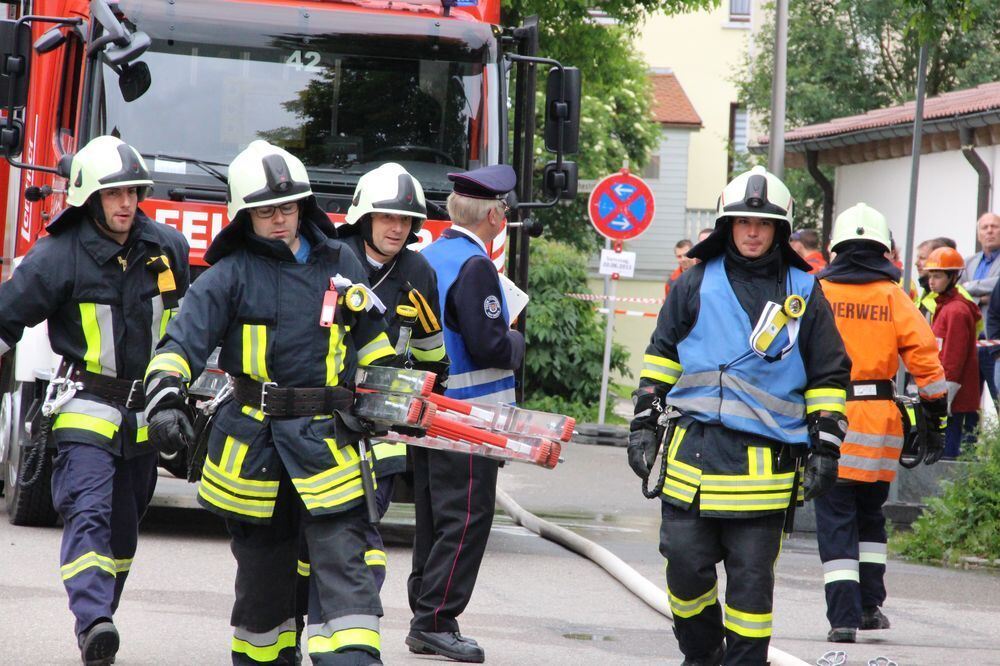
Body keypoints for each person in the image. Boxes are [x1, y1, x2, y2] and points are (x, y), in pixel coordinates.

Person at [143, 140, 395, 665]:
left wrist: (394, 399)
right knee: (262, 601)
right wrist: (165, 401)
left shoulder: (340, 259)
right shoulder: (227, 276)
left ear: (303, 206)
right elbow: (179, 346)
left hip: (330, 447)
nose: (280, 219)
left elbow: (373, 345)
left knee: (348, 581)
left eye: (288, 207)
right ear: (244, 216)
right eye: (266, 211)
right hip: (253, 455)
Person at [628, 165, 851, 666]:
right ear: (728, 225)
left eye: (764, 223)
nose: (753, 231)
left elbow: (829, 374)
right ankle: (703, 652)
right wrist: (642, 423)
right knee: (684, 572)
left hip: (764, 471)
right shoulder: (694, 283)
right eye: (743, 221)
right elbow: (661, 356)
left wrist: (825, 447)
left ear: (780, 230)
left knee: (751, 595)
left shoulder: (805, 292)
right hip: (693, 461)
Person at [0, 135, 190, 665]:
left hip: (146, 413)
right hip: (85, 402)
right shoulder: (58, 255)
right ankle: (93, 621)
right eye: (114, 194)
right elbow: (4, 319)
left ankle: (102, 613)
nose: (126, 203)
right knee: (88, 512)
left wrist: (180, 396)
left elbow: (185, 329)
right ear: (88, 196)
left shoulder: (167, 246)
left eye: (132, 191)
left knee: (125, 531)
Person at [407, 165, 524, 663]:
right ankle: (436, 620)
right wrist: (516, 341)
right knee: (466, 520)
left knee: (433, 518)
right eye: (505, 211)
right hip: (470, 418)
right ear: (496, 216)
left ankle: (425, 612)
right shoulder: (477, 267)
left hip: (429, 408)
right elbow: (488, 343)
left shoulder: (430, 256)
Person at [815, 203, 948, 643]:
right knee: (870, 517)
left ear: (836, 246)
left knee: (835, 519)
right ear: (882, 248)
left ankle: (843, 618)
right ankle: (871, 607)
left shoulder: (818, 292)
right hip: (880, 427)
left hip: (828, 421)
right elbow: (925, 359)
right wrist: (935, 415)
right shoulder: (894, 297)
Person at [339, 162, 448, 589]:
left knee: (366, 511)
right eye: (387, 216)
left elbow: (429, 352)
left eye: (405, 219)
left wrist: (433, 380)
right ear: (364, 217)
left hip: (383, 421)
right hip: (325, 410)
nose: (397, 227)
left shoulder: (419, 272)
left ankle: (358, 597)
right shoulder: (333, 254)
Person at [925, 247, 982, 459]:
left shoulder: (956, 310)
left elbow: (954, 356)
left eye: (938, 276)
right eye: (930, 275)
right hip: (944, 389)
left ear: (953, 277)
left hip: (953, 395)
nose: (932, 281)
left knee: (948, 452)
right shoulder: (944, 306)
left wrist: (946, 392)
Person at [963, 212, 1000, 406]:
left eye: (994, 226)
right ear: (978, 234)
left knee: (998, 399)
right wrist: (985, 295)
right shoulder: (968, 262)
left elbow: (997, 285)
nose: (990, 231)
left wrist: (971, 288)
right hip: (971, 343)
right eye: (985, 228)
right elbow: (959, 291)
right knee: (968, 403)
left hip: (994, 343)